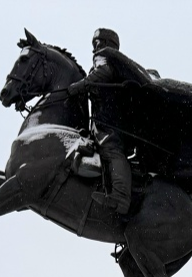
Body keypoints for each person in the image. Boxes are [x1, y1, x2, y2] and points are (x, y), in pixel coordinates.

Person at [67, 28, 148, 215]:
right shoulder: (111, 59)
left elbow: (102, 73)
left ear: (102, 43)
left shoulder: (104, 57)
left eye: (96, 43)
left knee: (110, 148)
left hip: (110, 119)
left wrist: (79, 86)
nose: (94, 48)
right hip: (103, 118)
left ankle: (120, 197)